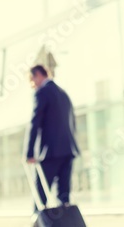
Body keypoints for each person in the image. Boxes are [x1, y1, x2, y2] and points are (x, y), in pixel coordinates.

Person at [25, 65, 79, 208]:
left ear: (37, 75)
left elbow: (35, 123)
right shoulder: (63, 93)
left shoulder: (42, 93)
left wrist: (29, 152)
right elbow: (73, 122)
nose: (33, 85)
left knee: (40, 195)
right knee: (64, 196)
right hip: (68, 150)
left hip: (50, 152)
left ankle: (38, 223)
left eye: (32, 80)